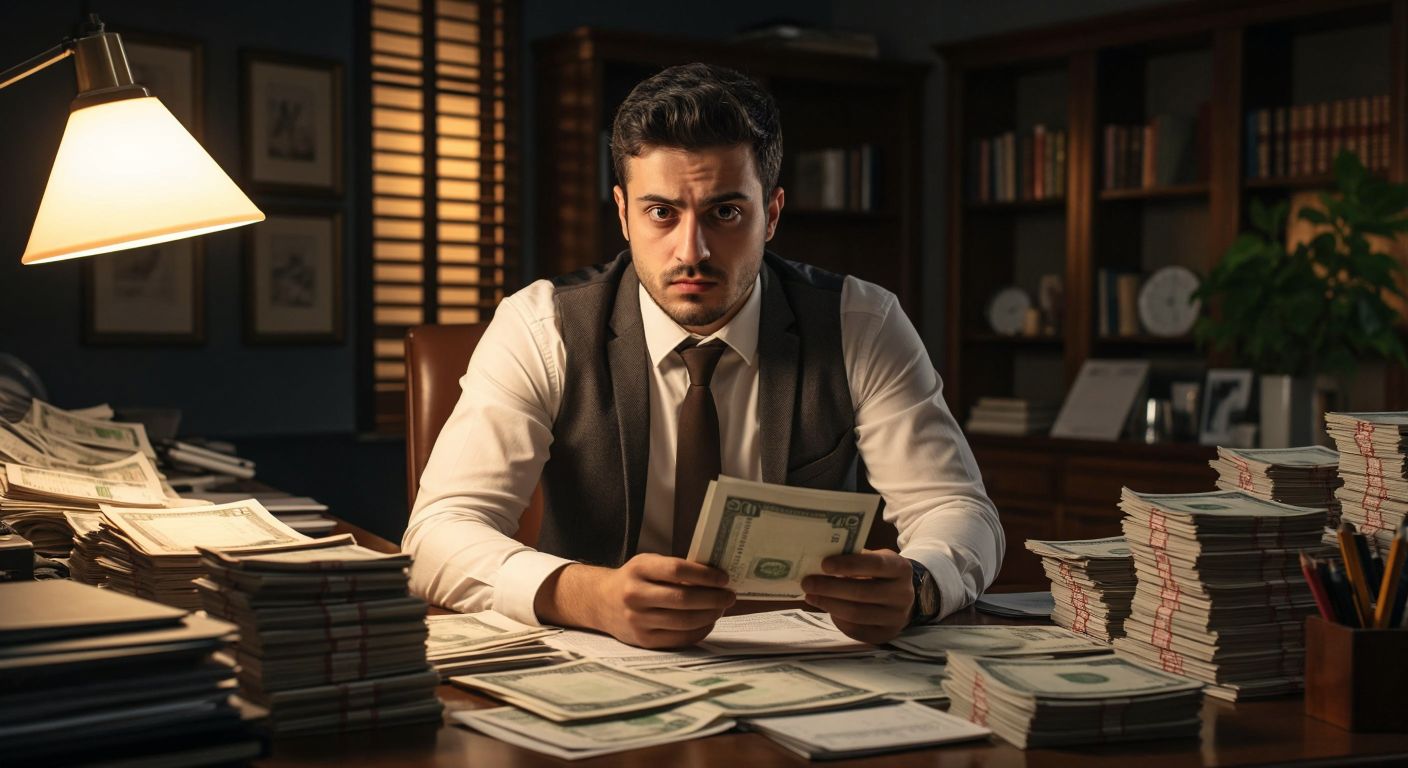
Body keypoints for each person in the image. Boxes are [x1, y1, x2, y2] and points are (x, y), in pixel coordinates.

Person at [403, 62, 1003, 649]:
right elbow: (437, 532)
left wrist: (920, 585)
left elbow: (954, 507)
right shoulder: (540, 326)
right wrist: (590, 596)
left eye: (725, 212)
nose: (691, 251)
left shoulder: (861, 323)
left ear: (770, 215)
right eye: (661, 212)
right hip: (599, 660)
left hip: (806, 660)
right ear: (623, 215)